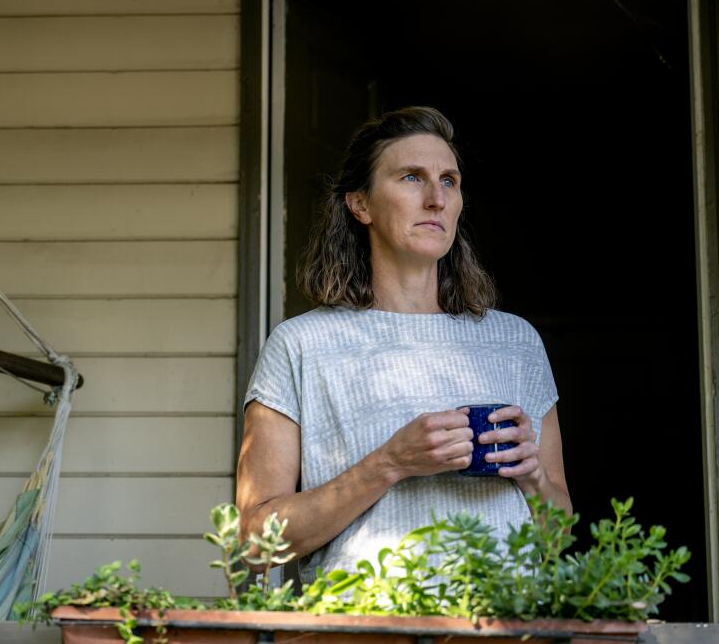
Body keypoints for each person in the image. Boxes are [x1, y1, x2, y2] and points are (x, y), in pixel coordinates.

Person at [236, 106, 570, 582]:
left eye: (449, 181)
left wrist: (532, 476)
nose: (436, 198)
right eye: (412, 178)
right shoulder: (302, 345)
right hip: (364, 627)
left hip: (506, 624)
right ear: (361, 205)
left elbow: (557, 537)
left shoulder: (516, 342)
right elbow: (254, 544)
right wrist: (389, 463)